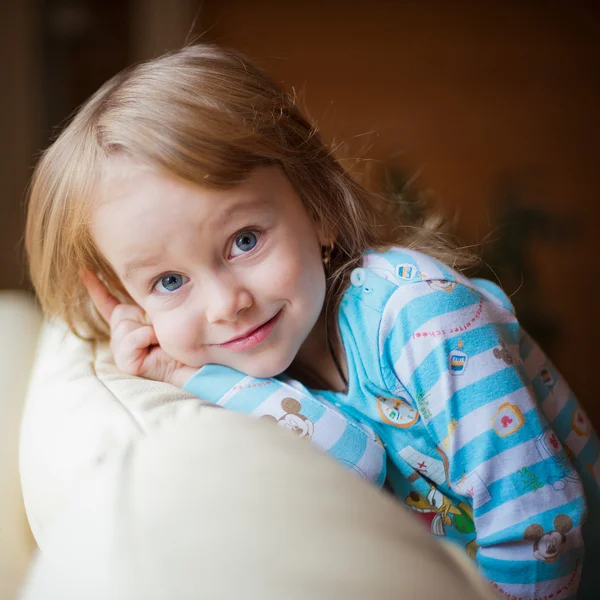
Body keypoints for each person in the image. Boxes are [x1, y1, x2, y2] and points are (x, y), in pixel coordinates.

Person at [26, 44, 599, 598]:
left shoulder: (427, 320)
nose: (227, 304)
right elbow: (354, 455)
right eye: (168, 282)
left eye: (244, 240)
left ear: (320, 209)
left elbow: (542, 530)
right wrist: (179, 371)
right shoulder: (258, 350)